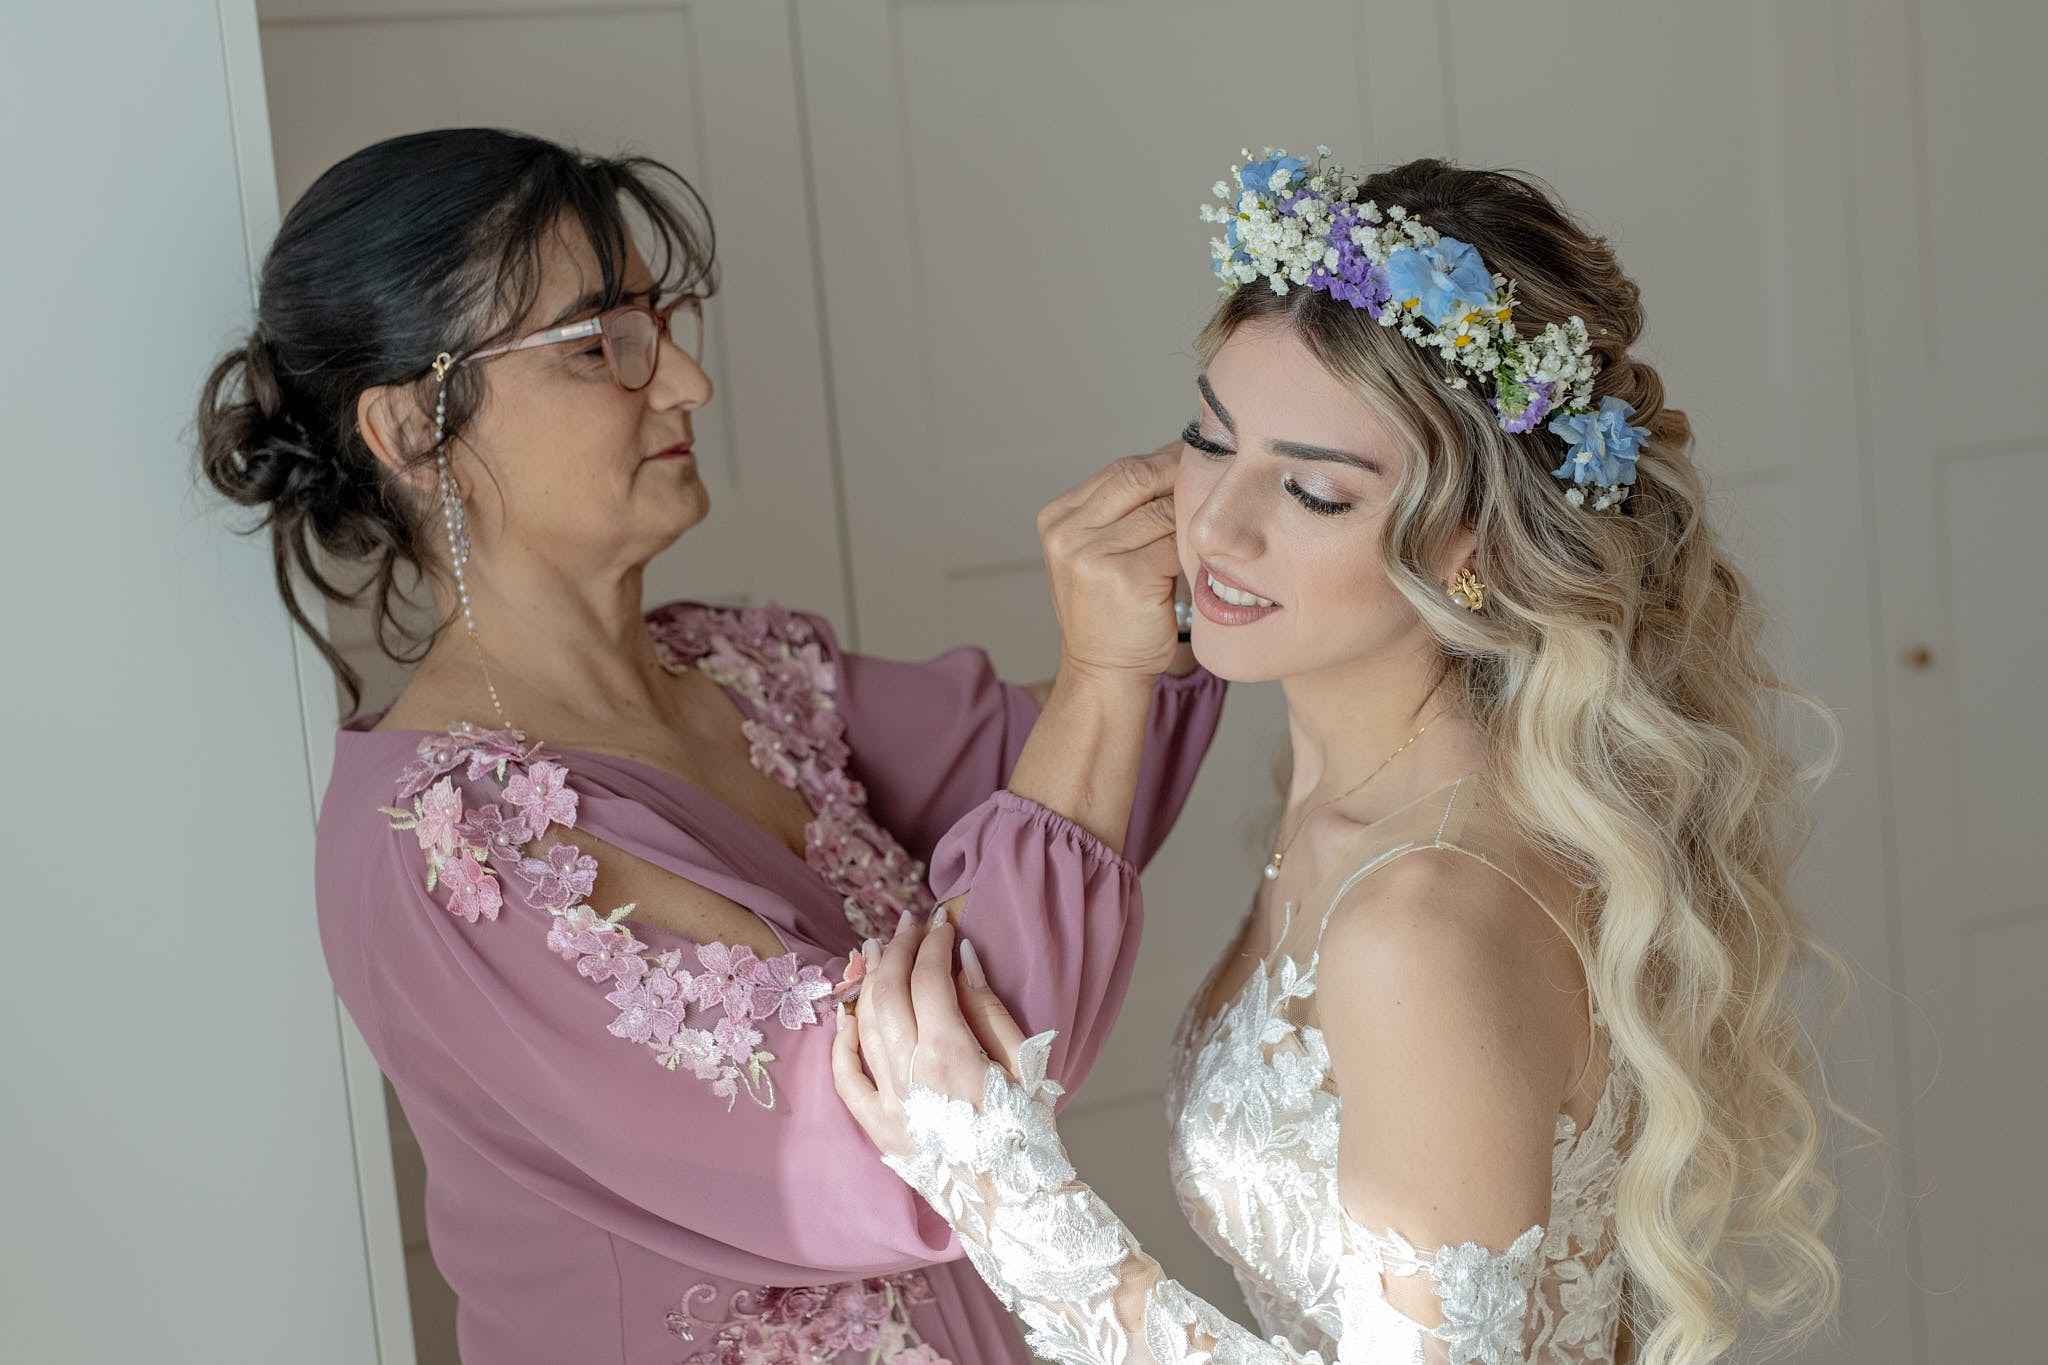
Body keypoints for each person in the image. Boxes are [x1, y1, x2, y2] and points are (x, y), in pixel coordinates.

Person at [196, 127, 1226, 1365]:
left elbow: (1081, 775)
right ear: (415, 429)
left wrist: (1235, 504)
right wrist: (1105, 674)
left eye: (662, 327)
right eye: (602, 346)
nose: (684, 382)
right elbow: (914, 1152)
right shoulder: (451, 853)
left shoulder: (749, 673)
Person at [835, 152, 1845, 1365]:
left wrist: (996, 1185)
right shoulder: (1351, 802)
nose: (1215, 523)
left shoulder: (1416, 923)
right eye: (1208, 442)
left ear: (1470, 545)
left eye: (1312, 492)